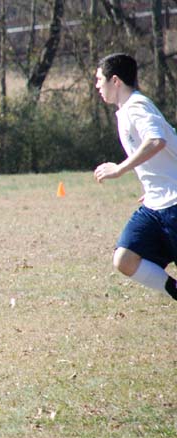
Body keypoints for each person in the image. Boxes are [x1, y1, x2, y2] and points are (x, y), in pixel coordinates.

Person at [94, 53, 177, 301]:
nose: (97, 86)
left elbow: (156, 141)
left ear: (115, 81)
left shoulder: (137, 106)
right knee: (125, 258)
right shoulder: (126, 110)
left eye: (100, 80)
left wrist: (119, 169)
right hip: (156, 204)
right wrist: (153, 184)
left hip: (174, 204)